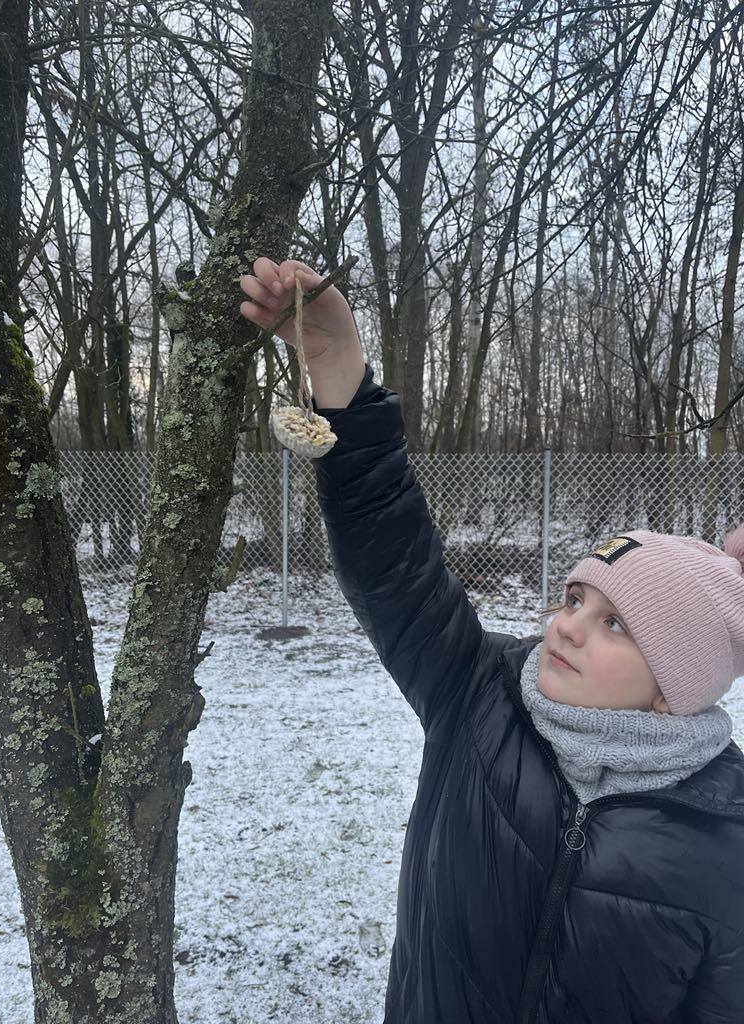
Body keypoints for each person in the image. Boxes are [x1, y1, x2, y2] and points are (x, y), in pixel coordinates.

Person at [240, 257, 744, 1023]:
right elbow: (392, 560)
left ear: (675, 686)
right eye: (575, 598)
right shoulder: (479, 695)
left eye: (615, 623)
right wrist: (336, 359)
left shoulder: (725, 838)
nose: (566, 625)